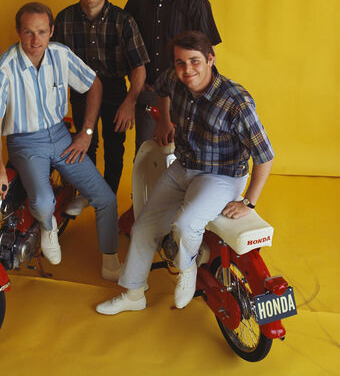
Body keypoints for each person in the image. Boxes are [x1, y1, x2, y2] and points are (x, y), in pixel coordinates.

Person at [96, 31, 274, 314]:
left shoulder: (236, 101)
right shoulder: (174, 79)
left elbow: (265, 156)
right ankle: (134, 294)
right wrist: (164, 120)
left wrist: (249, 202)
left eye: (195, 61)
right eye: (180, 62)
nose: (187, 69)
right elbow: (161, 89)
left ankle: (187, 267)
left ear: (210, 59)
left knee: (185, 225)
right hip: (184, 166)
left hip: (222, 175)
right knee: (143, 226)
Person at [0, 2, 121, 280]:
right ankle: (48, 228)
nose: (36, 40)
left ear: (51, 31)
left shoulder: (60, 54)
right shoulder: (2, 68)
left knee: (106, 198)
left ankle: (110, 256)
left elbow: (94, 85)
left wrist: (86, 133)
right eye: (28, 32)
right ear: (18, 31)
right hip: (25, 143)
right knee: (43, 202)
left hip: (61, 136)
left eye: (42, 32)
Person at [53, 0, 149, 215]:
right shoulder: (64, 19)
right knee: (86, 141)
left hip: (116, 90)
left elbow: (139, 66)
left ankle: (107, 199)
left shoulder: (123, 20)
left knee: (114, 147)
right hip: (81, 91)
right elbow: (52, 62)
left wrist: (130, 102)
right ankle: (89, 192)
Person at [125, 0, 221, 152]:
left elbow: (207, 55)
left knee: (185, 158)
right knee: (146, 157)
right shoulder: (137, 0)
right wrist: (136, 82)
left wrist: (201, 95)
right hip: (148, 94)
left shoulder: (195, 1)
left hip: (186, 95)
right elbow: (126, 48)